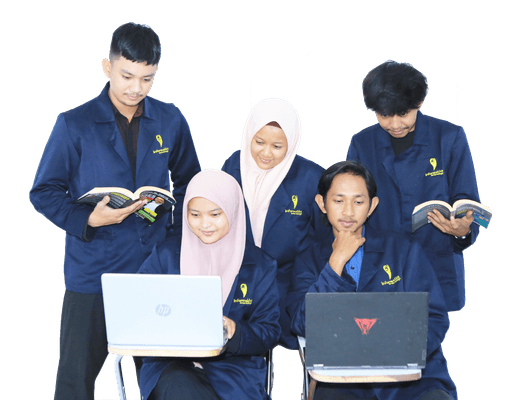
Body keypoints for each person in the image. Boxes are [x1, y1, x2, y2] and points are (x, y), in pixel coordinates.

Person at [29, 22, 200, 400]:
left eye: (147, 78)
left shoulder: (170, 120)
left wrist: (170, 229)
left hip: (153, 269)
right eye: (127, 75)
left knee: (168, 379)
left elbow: (191, 185)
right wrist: (87, 218)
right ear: (107, 67)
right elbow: (43, 191)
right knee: (74, 382)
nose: (135, 88)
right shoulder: (74, 124)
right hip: (93, 271)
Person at [287, 161, 457, 400]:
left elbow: (435, 316)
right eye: (338, 200)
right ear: (321, 203)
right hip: (342, 379)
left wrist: (397, 355)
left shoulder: (403, 249)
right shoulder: (308, 259)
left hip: (410, 378)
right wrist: (335, 262)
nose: (348, 211)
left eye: (358, 202)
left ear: (372, 206)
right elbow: (301, 324)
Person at [347, 61, 481, 311]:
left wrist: (461, 229)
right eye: (385, 116)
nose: (396, 124)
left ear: (418, 104)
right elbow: (351, 204)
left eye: (404, 114)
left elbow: (466, 197)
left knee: (431, 342)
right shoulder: (362, 144)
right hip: (382, 264)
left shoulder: (449, 137)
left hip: (435, 261)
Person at [138, 169, 281, 400]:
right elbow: (138, 303)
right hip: (172, 367)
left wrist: (235, 331)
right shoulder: (165, 255)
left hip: (234, 372)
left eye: (215, 214)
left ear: (233, 211)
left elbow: (269, 332)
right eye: (195, 215)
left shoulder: (260, 265)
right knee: (180, 386)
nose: (205, 224)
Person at [222, 97, 330, 349]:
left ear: (291, 145)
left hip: (290, 286)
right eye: (259, 142)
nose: (266, 153)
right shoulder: (233, 166)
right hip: (241, 284)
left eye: (277, 146)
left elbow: (325, 238)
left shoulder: (311, 178)